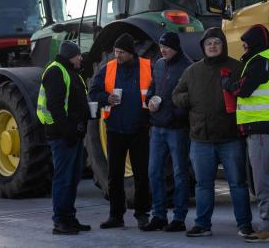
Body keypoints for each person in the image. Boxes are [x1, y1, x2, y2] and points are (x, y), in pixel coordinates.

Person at [172, 27, 253, 237]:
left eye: (216, 42)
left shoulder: (237, 67)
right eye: (208, 44)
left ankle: (244, 225)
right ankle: (202, 225)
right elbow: (177, 94)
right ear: (203, 47)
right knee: (203, 185)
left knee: (237, 184)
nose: (213, 46)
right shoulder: (192, 71)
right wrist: (187, 100)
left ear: (223, 45)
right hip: (201, 138)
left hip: (231, 138)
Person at [224, 24, 269, 243]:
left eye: (246, 43)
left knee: (263, 181)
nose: (243, 46)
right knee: (267, 178)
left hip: (262, 128)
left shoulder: (259, 61)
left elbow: (244, 89)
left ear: (255, 43)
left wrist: (229, 85)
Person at [89, 33, 151, 229]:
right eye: (116, 51)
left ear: (131, 53)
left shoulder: (147, 67)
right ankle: (116, 215)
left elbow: (157, 89)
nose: (118, 55)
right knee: (114, 175)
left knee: (141, 174)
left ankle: (142, 214)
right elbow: (93, 92)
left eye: (121, 52)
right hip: (115, 130)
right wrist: (106, 98)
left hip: (140, 129)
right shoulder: (108, 68)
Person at [37, 40, 91, 235]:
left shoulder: (71, 72)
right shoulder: (55, 72)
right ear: (71, 56)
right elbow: (55, 106)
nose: (81, 58)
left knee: (73, 178)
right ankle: (60, 221)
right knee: (64, 178)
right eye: (78, 55)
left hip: (73, 136)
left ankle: (69, 217)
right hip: (61, 137)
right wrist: (68, 132)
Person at [140, 32, 193, 232]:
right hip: (158, 127)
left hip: (177, 129)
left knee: (180, 173)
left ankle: (179, 218)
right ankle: (159, 215)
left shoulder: (187, 67)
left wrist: (176, 115)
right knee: (154, 172)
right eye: (161, 47)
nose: (163, 50)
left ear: (176, 47)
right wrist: (149, 100)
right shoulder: (159, 64)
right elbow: (153, 87)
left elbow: (190, 98)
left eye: (167, 47)